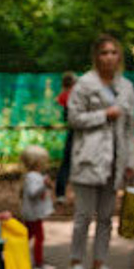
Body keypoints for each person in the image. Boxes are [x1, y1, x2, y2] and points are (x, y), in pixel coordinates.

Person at [66, 34, 134, 269]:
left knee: (106, 216)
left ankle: (100, 264)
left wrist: (131, 162)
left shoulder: (126, 87)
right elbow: (73, 118)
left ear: (120, 56)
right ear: (96, 56)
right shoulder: (84, 84)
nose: (109, 57)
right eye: (104, 52)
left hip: (116, 161)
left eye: (113, 52)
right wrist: (104, 115)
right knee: (84, 215)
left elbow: (129, 128)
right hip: (89, 157)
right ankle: (75, 264)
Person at [19, 144, 56, 269]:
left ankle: (19, 256)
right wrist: (44, 186)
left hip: (34, 213)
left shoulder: (35, 176)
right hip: (33, 214)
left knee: (27, 236)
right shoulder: (32, 177)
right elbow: (33, 193)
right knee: (39, 238)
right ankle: (38, 263)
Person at [53, 71, 76, 201]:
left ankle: (60, 193)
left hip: (72, 131)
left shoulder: (64, 95)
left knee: (66, 163)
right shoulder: (74, 94)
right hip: (77, 132)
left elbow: (59, 100)